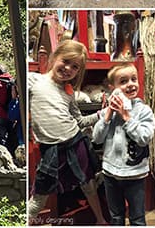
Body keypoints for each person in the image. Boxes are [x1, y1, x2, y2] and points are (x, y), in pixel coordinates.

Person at [27, 40, 106, 225]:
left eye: (75, 66)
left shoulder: (69, 92)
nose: (68, 68)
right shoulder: (33, 79)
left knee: (88, 184)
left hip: (75, 142)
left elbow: (80, 122)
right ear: (55, 57)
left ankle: (101, 220)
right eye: (65, 61)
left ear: (78, 71)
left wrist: (103, 113)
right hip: (50, 148)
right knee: (40, 194)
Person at [92, 64, 154, 226]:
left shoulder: (144, 111)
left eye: (134, 79)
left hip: (135, 175)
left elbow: (144, 137)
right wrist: (107, 115)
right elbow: (97, 139)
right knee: (116, 216)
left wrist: (126, 117)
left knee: (137, 218)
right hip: (110, 173)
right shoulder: (108, 111)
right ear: (113, 88)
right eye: (123, 81)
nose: (131, 84)